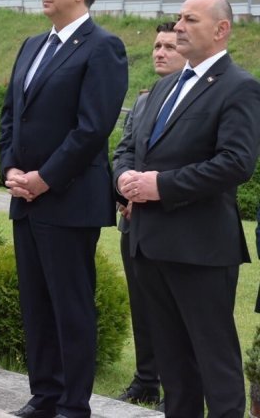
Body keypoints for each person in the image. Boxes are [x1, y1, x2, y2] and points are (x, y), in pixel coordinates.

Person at [115, 0, 260, 418]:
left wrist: (160, 186)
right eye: (178, 18)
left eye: (189, 19)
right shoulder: (163, 87)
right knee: (174, 368)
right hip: (150, 244)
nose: (178, 26)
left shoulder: (240, 86)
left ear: (221, 30)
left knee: (214, 362)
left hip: (199, 248)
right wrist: (124, 180)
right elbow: (129, 149)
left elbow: (236, 163)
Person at [0, 0, 128, 418]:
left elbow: (92, 128)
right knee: (35, 302)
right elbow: (11, 114)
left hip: (69, 199)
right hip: (25, 197)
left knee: (69, 304)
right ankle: (45, 392)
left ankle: (74, 403)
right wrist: (10, 169)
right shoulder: (33, 45)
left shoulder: (102, 47)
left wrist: (45, 178)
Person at [112, 21, 185, 408]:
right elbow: (122, 149)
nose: (160, 52)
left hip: (173, 222)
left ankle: (177, 385)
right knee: (141, 303)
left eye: (169, 46)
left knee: (174, 310)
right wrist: (122, 187)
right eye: (157, 45)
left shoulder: (202, 100)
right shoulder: (143, 99)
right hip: (134, 219)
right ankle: (145, 379)